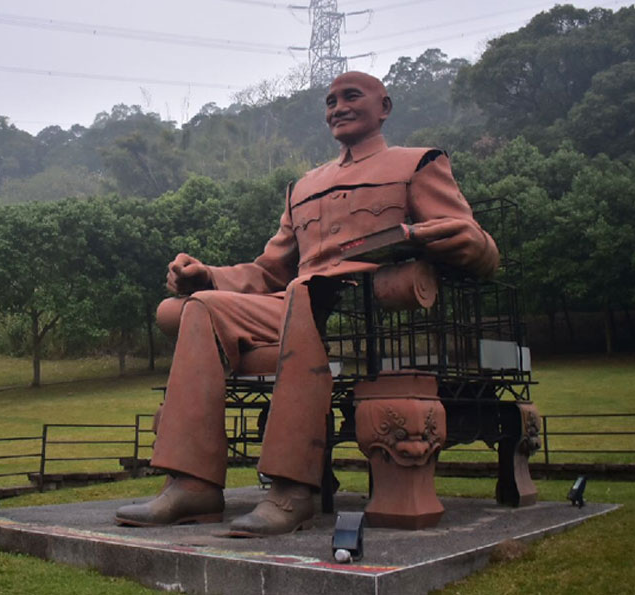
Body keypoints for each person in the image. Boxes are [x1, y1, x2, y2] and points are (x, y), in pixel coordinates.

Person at [115, 71, 499, 537]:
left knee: (302, 293)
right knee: (202, 306)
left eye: (351, 96)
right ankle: (192, 485)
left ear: (385, 107)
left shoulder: (416, 164)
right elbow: (268, 272)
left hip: (363, 312)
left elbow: (474, 241)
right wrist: (208, 276)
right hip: (295, 303)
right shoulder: (304, 187)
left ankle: (292, 489)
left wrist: (470, 242)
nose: (338, 107)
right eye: (330, 100)